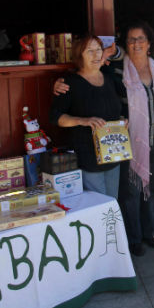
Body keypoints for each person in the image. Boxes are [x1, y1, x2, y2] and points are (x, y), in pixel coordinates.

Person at [119, 21, 154, 256]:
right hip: (132, 141)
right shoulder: (117, 71)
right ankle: (134, 238)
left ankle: (149, 232)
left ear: (149, 44)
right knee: (131, 192)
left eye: (140, 39)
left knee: (152, 189)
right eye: (131, 40)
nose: (136, 44)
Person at [49, 34, 123, 198]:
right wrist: (82, 121)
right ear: (79, 56)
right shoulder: (69, 83)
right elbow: (55, 116)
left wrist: (123, 121)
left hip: (112, 153)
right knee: (98, 206)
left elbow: (117, 107)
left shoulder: (109, 77)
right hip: (88, 157)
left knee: (112, 205)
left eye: (98, 50)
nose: (96, 55)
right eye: (90, 51)